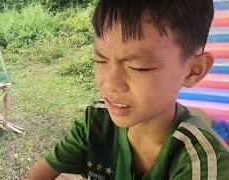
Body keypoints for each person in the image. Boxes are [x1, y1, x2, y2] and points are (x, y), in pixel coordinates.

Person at [28, 0, 229, 179]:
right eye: (100, 59)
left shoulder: (203, 163)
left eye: (139, 67)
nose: (108, 84)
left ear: (194, 71)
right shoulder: (96, 122)